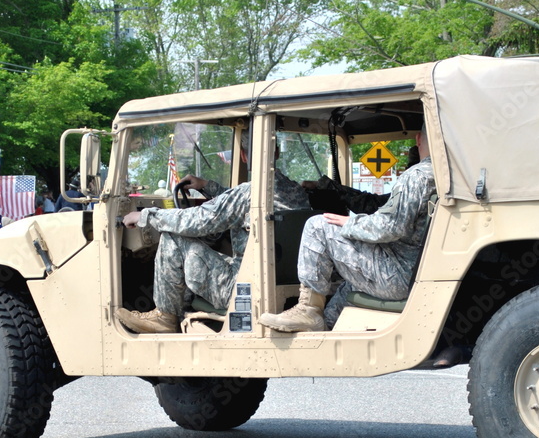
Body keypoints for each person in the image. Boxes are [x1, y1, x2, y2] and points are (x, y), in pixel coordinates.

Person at [115, 147, 310, 334]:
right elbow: (236, 202)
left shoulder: (250, 193)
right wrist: (207, 186)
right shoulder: (295, 191)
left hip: (242, 289)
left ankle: (165, 317)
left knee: (173, 237)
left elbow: (197, 222)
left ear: (242, 155)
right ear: (275, 151)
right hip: (282, 286)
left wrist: (146, 216)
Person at [259, 126, 435, 333]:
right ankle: (323, 330)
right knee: (344, 291)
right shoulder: (444, 176)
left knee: (318, 225)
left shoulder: (417, 176)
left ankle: (307, 308)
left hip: (397, 275)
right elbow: (383, 211)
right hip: (414, 271)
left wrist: (349, 223)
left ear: (418, 140)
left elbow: (389, 227)